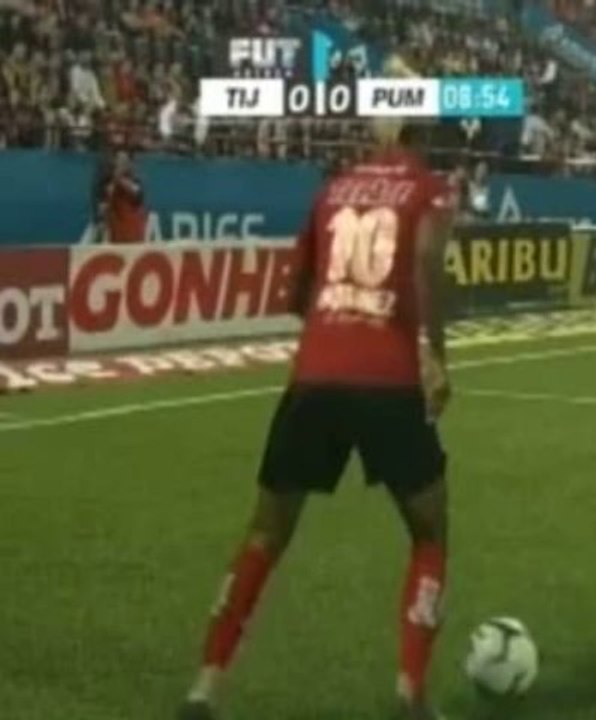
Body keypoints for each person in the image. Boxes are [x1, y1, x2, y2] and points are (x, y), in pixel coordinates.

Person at [175, 109, 457, 719]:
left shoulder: (331, 190)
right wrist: (434, 352)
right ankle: (410, 690)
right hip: (388, 381)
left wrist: (336, 331)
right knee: (430, 531)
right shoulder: (430, 189)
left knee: (265, 533)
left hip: (315, 377)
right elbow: (426, 260)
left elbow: (297, 294)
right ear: (422, 133)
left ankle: (205, 685)